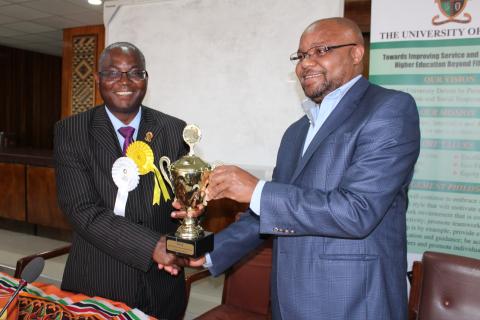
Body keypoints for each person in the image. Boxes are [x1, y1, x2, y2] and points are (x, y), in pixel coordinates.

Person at [171, 17, 421, 319]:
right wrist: (209, 251)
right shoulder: (295, 132)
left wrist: (257, 190)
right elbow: (265, 215)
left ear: (356, 54)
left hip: (352, 302)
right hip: (288, 301)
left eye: (321, 50)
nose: (306, 63)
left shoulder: (389, 110)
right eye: (301, 56)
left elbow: (358, 211)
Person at [54, 42, 189, 319]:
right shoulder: (71, 131)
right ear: (98, 79)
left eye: (135, 73)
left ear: (146, 79)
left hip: (163, 283)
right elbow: (81, 209)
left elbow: (185, 204)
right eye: (113, 73)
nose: (125, 82)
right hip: (99, 280)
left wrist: (191, 216)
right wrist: (151, 246)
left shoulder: (175, 130)